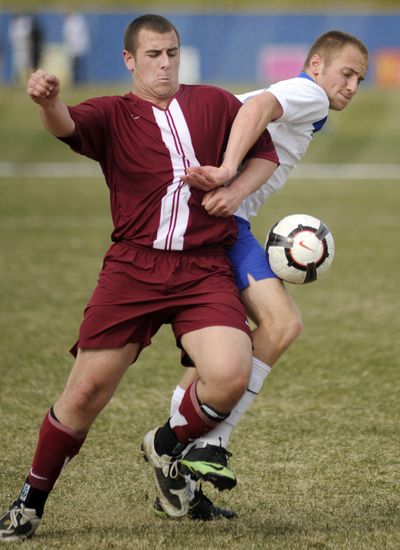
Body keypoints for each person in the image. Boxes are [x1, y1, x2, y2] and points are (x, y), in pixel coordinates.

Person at [0, 14, 278, 541]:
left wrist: (236, 192)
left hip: (202, 269)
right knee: (84, 396)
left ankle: (167, 444)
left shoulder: (215, 103)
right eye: (153, 55)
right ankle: (29, 504)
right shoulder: (112, 113)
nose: (166, 63)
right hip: (134, 270)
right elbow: (66, 125)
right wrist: (46, 100)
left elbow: (264, 152)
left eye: (171, 52)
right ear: (129, 59)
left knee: (230, 374)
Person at [155, 30, 369, 520]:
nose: (353, 85)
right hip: (220, 221)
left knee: (216, 358)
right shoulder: (310, 94)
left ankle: (178, 474)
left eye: (360, 77)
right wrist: (230, 171)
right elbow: (257, 108)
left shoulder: (307, 99)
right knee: (281, 324)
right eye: (347, 73)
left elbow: (245, 109)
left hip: (216, 219)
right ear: (316, 64)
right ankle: (200, 446)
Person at [62, 10, 90, 84]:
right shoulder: (69, 22)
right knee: (74, 66)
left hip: (76, 47)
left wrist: (73, 46)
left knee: (78, 65)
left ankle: (79, 80)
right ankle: (75, 80)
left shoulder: (75, 22)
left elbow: (75, 36)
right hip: (73, 47)